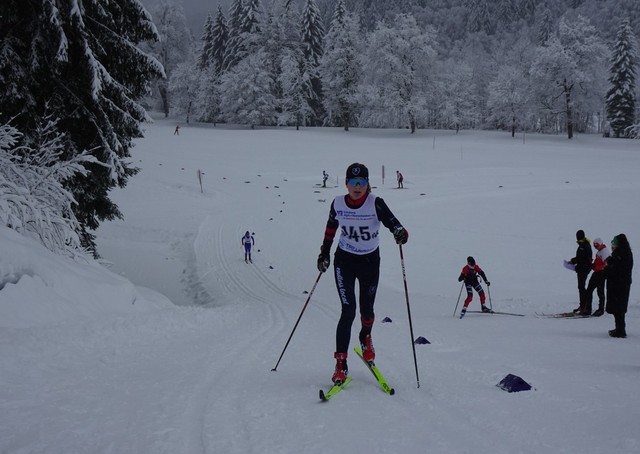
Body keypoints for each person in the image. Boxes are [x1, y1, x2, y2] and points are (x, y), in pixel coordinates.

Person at [317, 163, 408, 385]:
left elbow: (394, 224)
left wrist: (400, 232)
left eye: (362, 182)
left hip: (369, 262)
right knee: (348, 311)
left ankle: (365, 336)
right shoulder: (338, 203)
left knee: (367, 312)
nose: (357, 187)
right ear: (346, 183)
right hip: (344, 261)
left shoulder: (376, 203)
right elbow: (331, 229)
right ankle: (340, 363)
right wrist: (324, 254)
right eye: (353, 182)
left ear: (367, 184)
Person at [605, 234, 633, 338]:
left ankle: (620, 330)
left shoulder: (623, 253)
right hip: (620, 284)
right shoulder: (623, 253)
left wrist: (608, 268)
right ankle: (619, 328)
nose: (613, 245)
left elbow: (618, 269)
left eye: (615, 243)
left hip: (620, 285)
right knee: (618, 309)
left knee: (619, 309)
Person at [569, 229, 593, 315]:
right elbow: (581, 258)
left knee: (582, 288)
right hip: (582, 269)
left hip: (584, 269)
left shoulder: (584, 246)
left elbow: (582, 259)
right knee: (581, 287)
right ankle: (583, 305)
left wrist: (573, 261)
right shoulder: (583, 244)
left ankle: (585, 306)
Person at [586, 238, 610, 316]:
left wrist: (595, 267)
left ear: (600, 244)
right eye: (594, 246)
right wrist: (593, 265)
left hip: (601, 274)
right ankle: (588, 309)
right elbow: (598, 262)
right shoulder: (600, 251)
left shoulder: (605, 252)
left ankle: (601, 309)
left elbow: (605, 265)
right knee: (589, 290)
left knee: (600, 292)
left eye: (597, 246)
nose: (596, 247)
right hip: (596, 273)